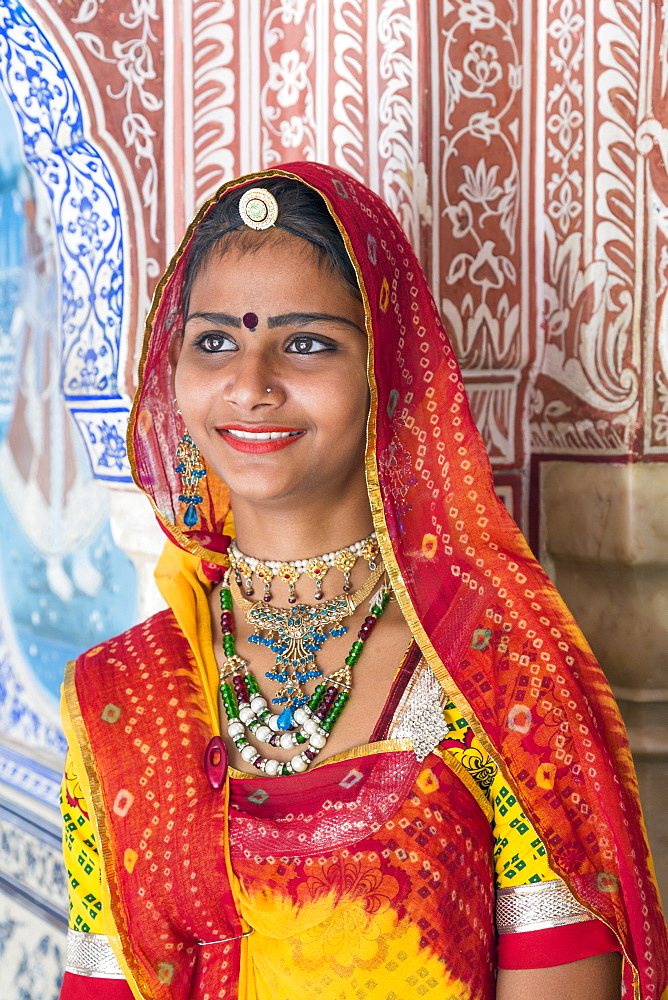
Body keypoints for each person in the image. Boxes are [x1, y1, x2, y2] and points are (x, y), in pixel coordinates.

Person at [58, 163, 667, 1000]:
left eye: (306, 342)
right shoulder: (123, 694)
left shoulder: (495, 676)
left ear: (388, 368)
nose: (251, 383)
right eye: (215, 342)